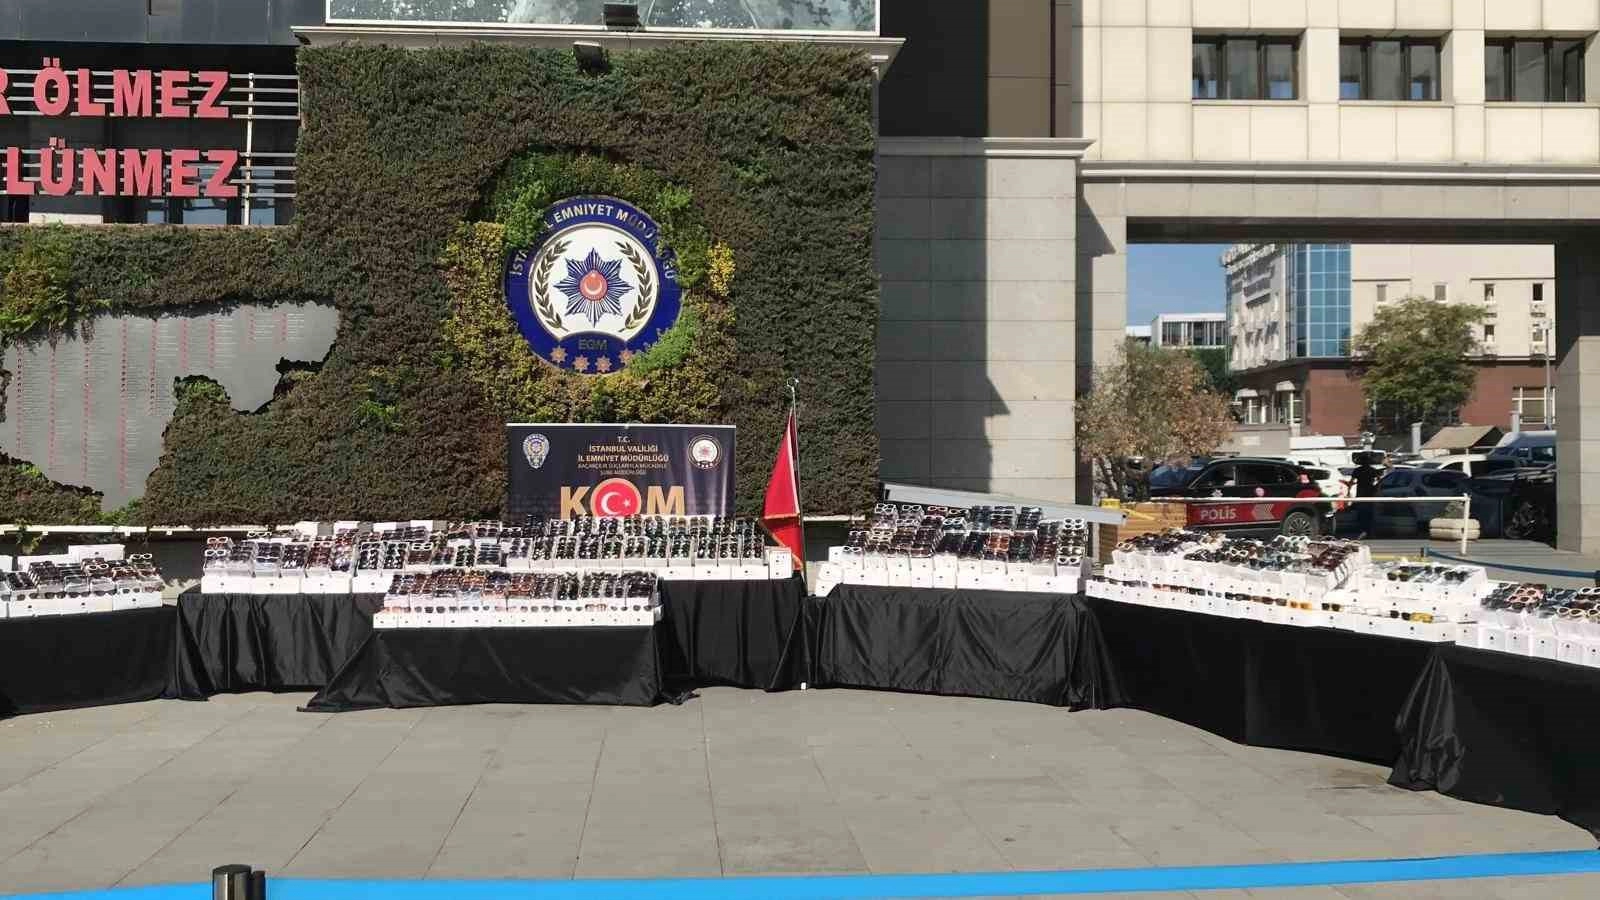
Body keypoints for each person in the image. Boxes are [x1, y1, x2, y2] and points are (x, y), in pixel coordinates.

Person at [1352, 454, 1383, 538]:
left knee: (1361, 512)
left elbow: (1352, 481)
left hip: (1361, 493)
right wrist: (1376, 488)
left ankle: (1362, 530)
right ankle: (1370, 531)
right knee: (1370, 512)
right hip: (1370, 493)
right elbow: (1379, 480)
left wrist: (1349, 487)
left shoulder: (1357, 470)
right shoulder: (1372, 470)